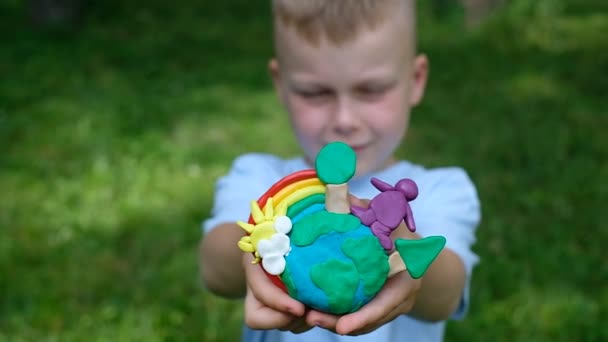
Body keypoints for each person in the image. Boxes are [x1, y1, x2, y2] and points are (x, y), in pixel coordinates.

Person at [200, 1, 481, 341]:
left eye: (371, 90)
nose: (344, 120)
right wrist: (257, 247)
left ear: (416, 80)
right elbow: (215, 269)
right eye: (315, 93)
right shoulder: (261, 179)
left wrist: (402, 247)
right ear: (281, 85)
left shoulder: (442, 190)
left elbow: (444, 296)